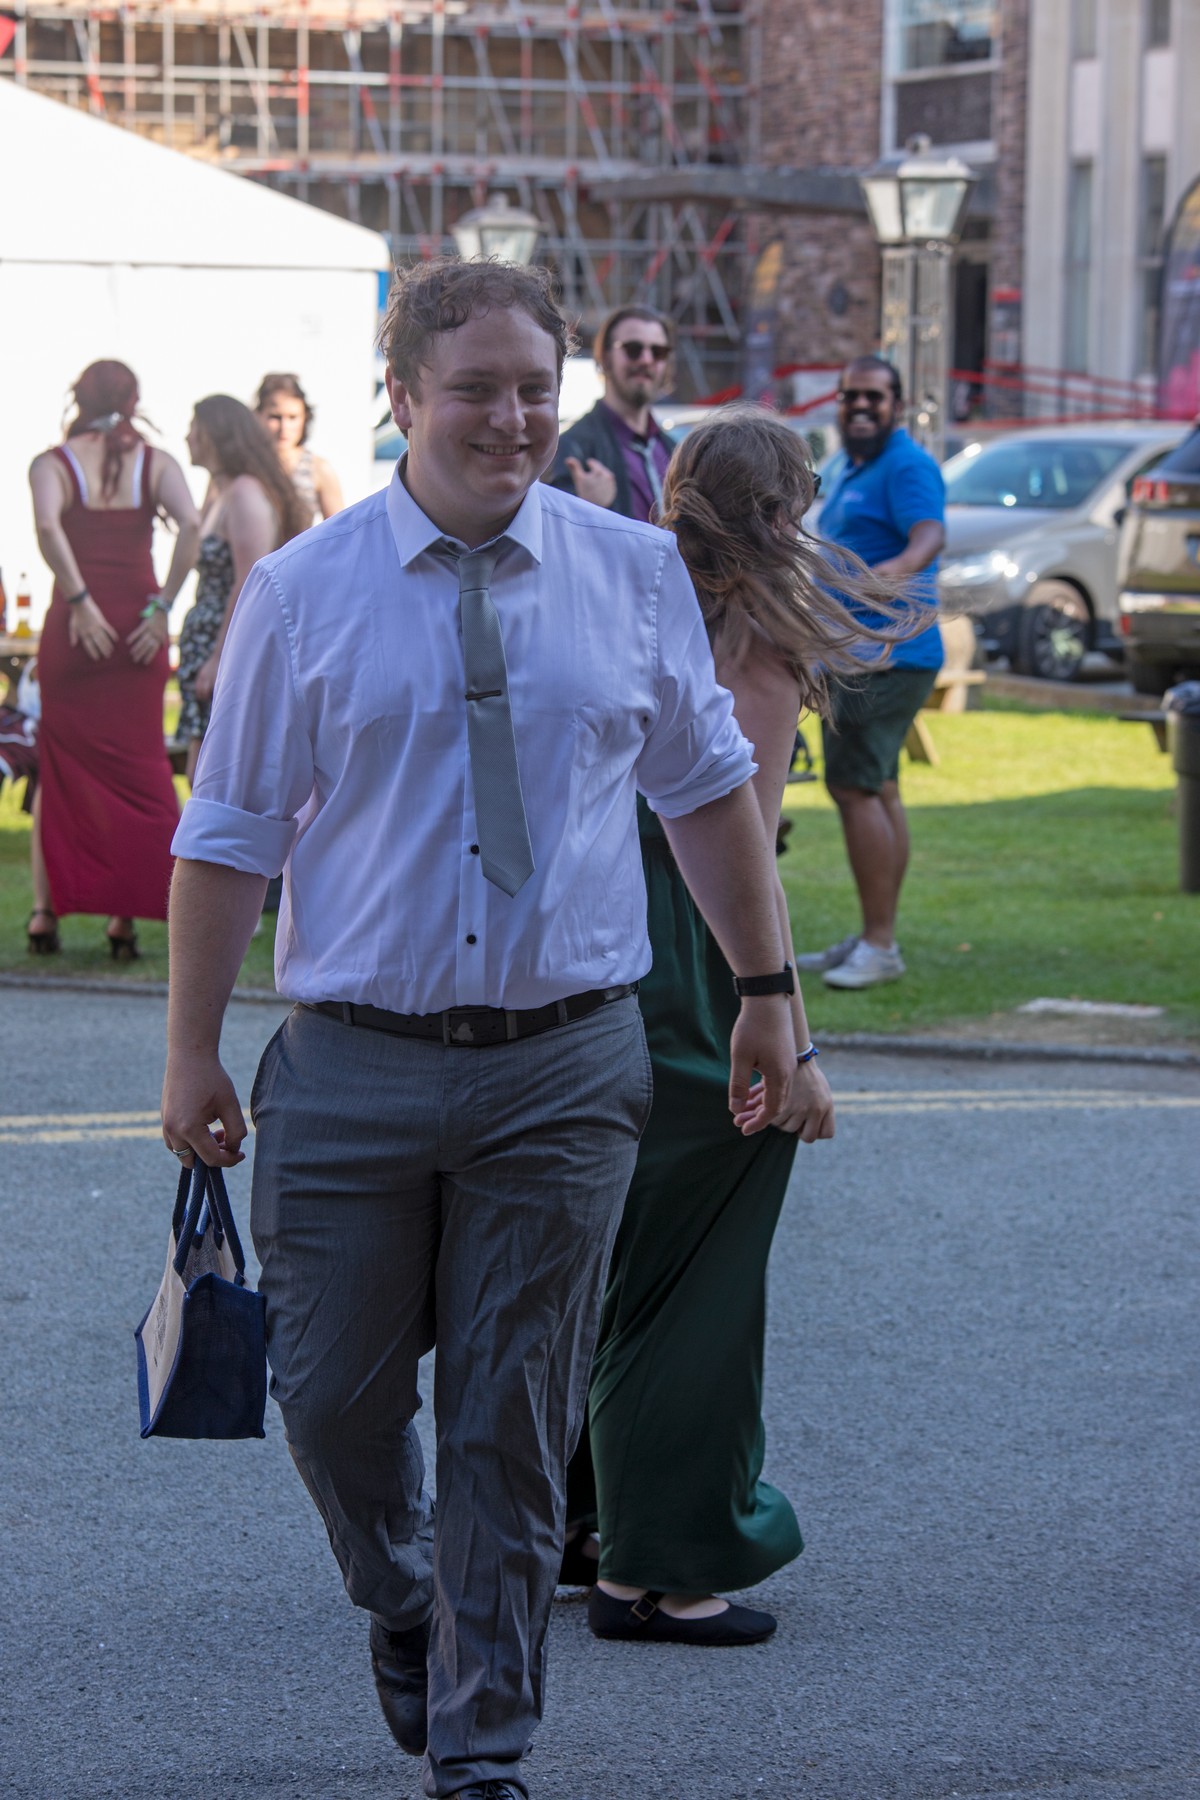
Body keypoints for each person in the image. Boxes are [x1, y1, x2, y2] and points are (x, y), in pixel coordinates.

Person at [160, 258, 807, 1800]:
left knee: (513, 1422)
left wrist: (769, 996)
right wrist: (190, 1049)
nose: (513, 419)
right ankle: (403, 1599)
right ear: (402, 397)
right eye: (477, 389)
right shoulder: (303, 592)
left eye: (535, 387)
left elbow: (709, 791)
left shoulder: (630, 573)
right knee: (331, 1401)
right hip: (352, 1063)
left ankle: (482, 1743)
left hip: (564, 1066)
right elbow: (230, 835)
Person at [563, 407, 911, 1645]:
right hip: (700, 959)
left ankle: (585, 1520)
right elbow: (741, 852)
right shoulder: (756, 646)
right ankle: (662, 1568)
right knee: (698, 1271)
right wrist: (795, 1039)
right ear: (776, 515)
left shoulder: (626, 603)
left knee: (617, 1257)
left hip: (601, 941)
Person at [26, 360, 200, 958]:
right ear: (132, 401)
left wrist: (78, 601)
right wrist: (163, 607)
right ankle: (123, 922)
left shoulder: (52, 463)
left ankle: (43, 914)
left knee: (59, 769)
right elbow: (192, 524)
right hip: (137, 631)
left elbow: (47, 525)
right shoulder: (156, 463)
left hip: (76, 629)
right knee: (140, 768)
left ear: (78, 398)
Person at [796, 354, 945, 989]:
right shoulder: (850, 465)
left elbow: (929, 535)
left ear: (897, 405)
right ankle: (874, 934)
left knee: (853, 787)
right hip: (861, 651)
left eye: (874, 396)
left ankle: (880, 945)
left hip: (882, 655)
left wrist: (885, 576)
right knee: (879, 788)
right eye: (849, 395)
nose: (860, 405)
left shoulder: (907, 464)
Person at [178, 395, 309, 781]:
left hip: (227, 651)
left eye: (194, 428)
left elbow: (248, 582)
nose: (187, 437)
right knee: (199, 768)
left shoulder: (244, 493)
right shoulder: (221, 492)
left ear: (214, 435)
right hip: (207, 648)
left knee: (213, 773)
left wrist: (221, 656)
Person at [548, 304, 676, 520]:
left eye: (658, 352)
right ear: (605, 357)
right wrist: (587, 510)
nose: (646, 360)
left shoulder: (674, 450)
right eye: (633, 349)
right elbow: (553, 530)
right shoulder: (574, 447)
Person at [254, 371, 344, 523]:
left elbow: (339, 529)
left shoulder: (319, 469)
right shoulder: (242, 466)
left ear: (304, 418)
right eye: (275, 417)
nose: (284, 427)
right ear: (258, 416)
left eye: (292, 417)